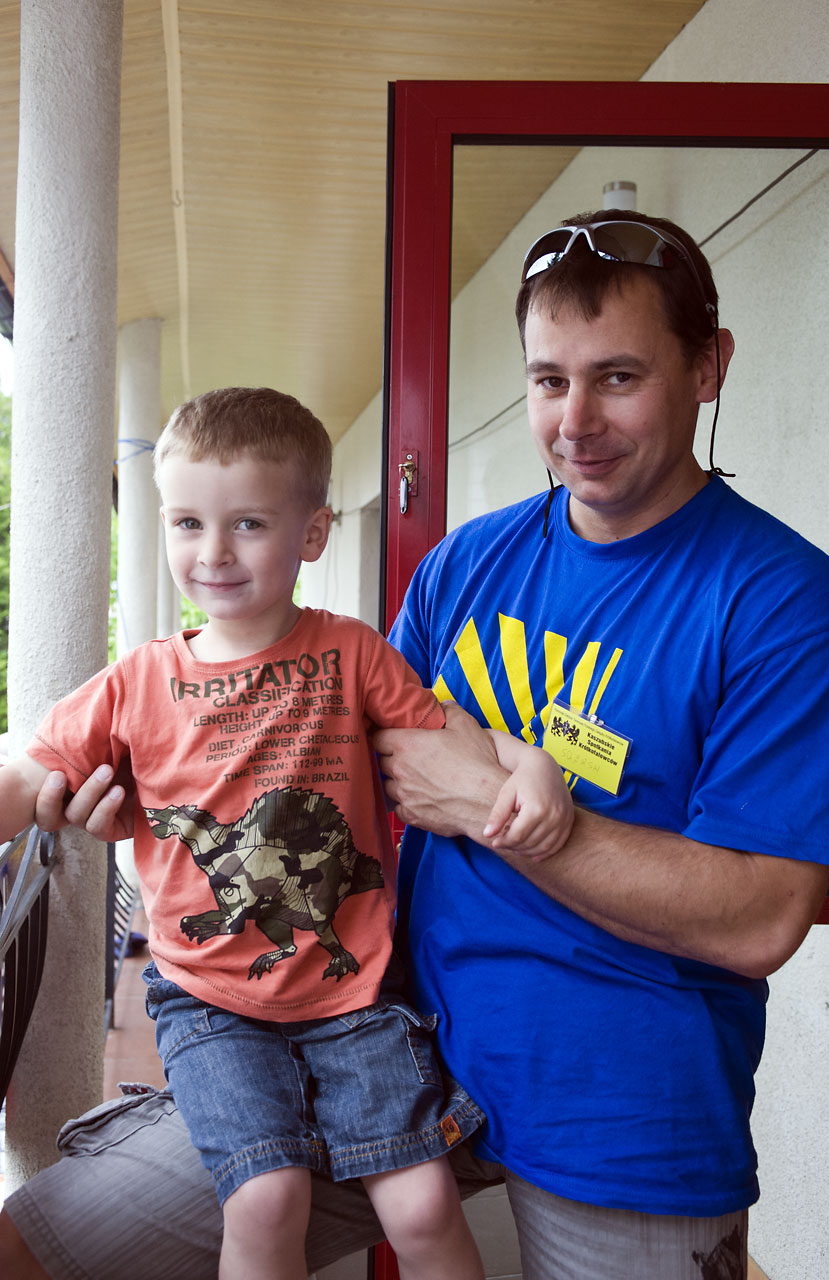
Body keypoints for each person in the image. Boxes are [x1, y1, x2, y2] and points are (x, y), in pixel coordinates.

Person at [3, 210, 829, 1280]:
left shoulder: (785, 604)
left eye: (618, 377)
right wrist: (158, 787)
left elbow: (760, 916)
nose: (576, 421)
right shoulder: (470, 563)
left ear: (709, 367)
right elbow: (318, 751)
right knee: (34, 1244)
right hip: (373, 1030)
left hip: (618, 1104)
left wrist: (497, 813)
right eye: (549, 381)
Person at [0, 385, 571, 1280]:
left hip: (355, 993)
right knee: (266, 1200)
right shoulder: (137, 682)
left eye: (249, 524)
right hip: (211, 1004)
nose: (213, 553)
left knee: (422, 1206)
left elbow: (449, 732)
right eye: (187, 523)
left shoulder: (352, 652)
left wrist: (530, 763)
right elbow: (26, 777)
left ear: (313, 534)